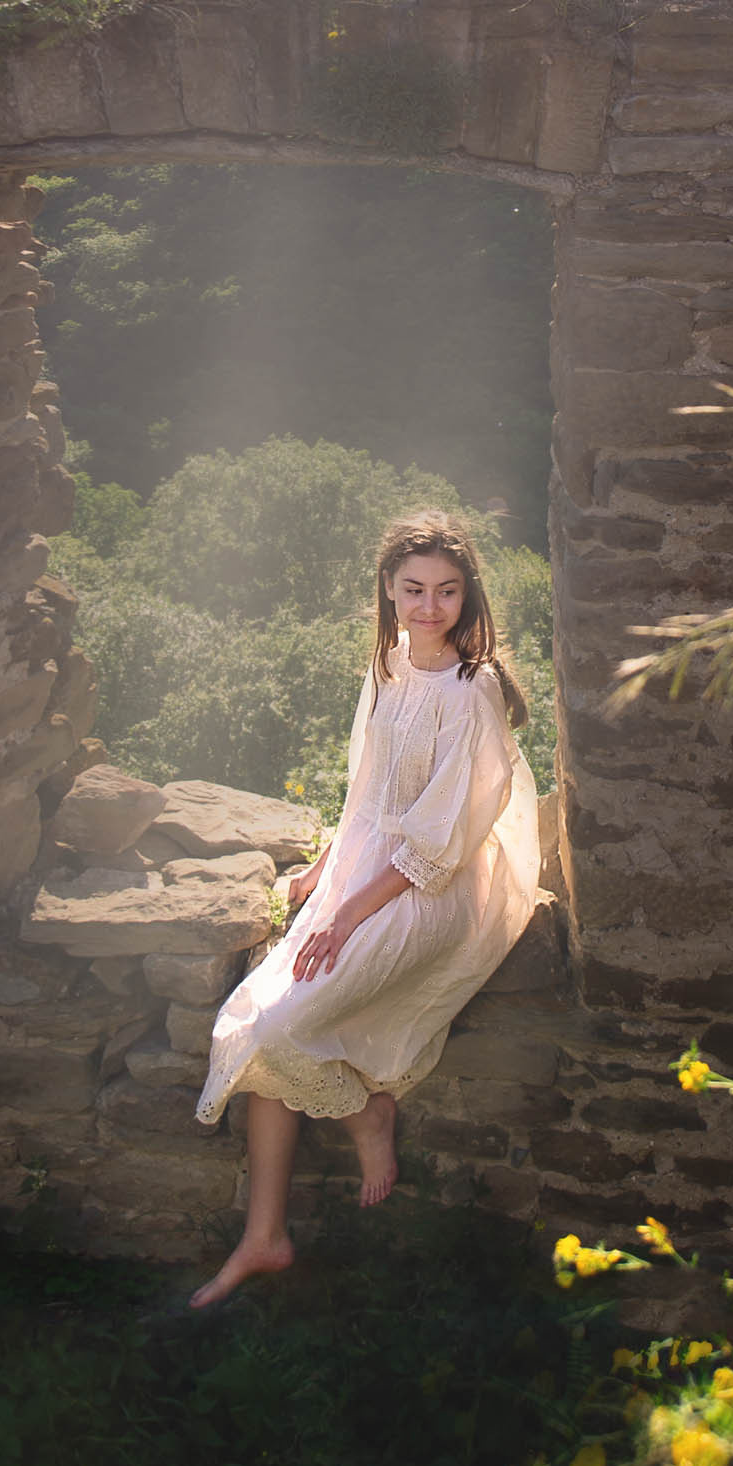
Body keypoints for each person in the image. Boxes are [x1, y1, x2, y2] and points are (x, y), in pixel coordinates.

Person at [189, 510, 541, 1308]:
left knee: (282, 1030)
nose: (429, 606)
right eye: (413, 589)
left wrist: (348, 917)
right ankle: (265, 1237)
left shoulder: (472, 690)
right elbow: (368, 789)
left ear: (467, 596)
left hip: (434, 890)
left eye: (447, 592)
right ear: (387, 591)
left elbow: (438, 843)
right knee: (264, 1030)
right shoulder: (385, 663)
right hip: (363, 873)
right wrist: (324, 869)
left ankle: (365, 1118)